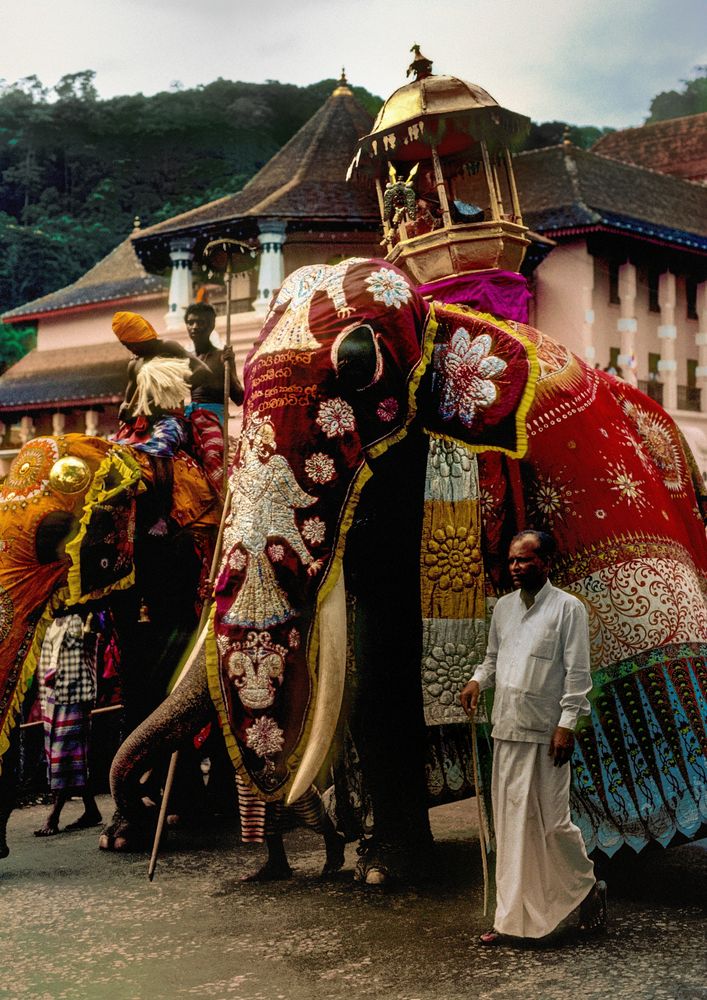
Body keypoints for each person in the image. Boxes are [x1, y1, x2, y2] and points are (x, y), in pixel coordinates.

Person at [459, 529, 607, 944]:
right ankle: (511, 921)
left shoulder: (567, 609)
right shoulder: (504, 608)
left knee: (553, 825)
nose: (516, 568)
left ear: (546, 562)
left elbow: (578, 676)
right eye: (511, 561)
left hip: (547, 734)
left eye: (524, 560)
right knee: (510, 829)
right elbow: (491, 659)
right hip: (506, 729)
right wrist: (476, 682)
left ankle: (588, 888)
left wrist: (567, 724)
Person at [111, 311, 213, 534]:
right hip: (141, 422)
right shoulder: (134, 363)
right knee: (110, 450)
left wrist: (169, 388)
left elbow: (203, 372)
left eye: (134, 344)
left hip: (169, 418)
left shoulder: (168, 347)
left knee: (160, 446)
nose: (131, 349)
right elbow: (128, 400)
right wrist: (125, 408)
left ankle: (163, 516)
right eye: (127, 345)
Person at [34, 612, 102, 837]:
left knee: (63, 755)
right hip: (54, 696)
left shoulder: (78, 619)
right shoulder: (53, 623)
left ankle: (53, 816)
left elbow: (92, 634)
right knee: (69, 756)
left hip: (74, 695)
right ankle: (91, 810)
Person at [184, 302, 244, 496]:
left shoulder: (221, 357)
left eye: (200, 323)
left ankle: (222, 503)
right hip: (190, 418)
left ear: (210, 326)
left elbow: (239, 397)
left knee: (211, 457)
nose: (194, 327)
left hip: (213, 420)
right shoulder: (186, 359)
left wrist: (231, 364)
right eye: (190, 322)